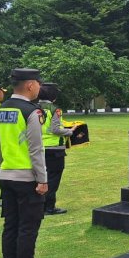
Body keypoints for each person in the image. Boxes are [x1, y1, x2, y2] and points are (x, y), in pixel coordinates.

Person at [0, 68, 51, 258]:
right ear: (30, 85)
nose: (39, 88)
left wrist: (3, 167)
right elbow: (36, 150)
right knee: (27, 228)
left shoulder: (1, 109)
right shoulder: (31, 112)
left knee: (11, 226)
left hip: (6, 174)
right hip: (27, 178)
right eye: (38, 84)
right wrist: (43, 179)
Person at [38, 83, 77, 215]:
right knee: (53, 178)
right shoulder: (55, 109)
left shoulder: (33, 107)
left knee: (40, 177)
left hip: (38, 147)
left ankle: (39, 205)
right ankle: (49, 207)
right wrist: (70, 131)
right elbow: (55, 129)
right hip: (54, 148)